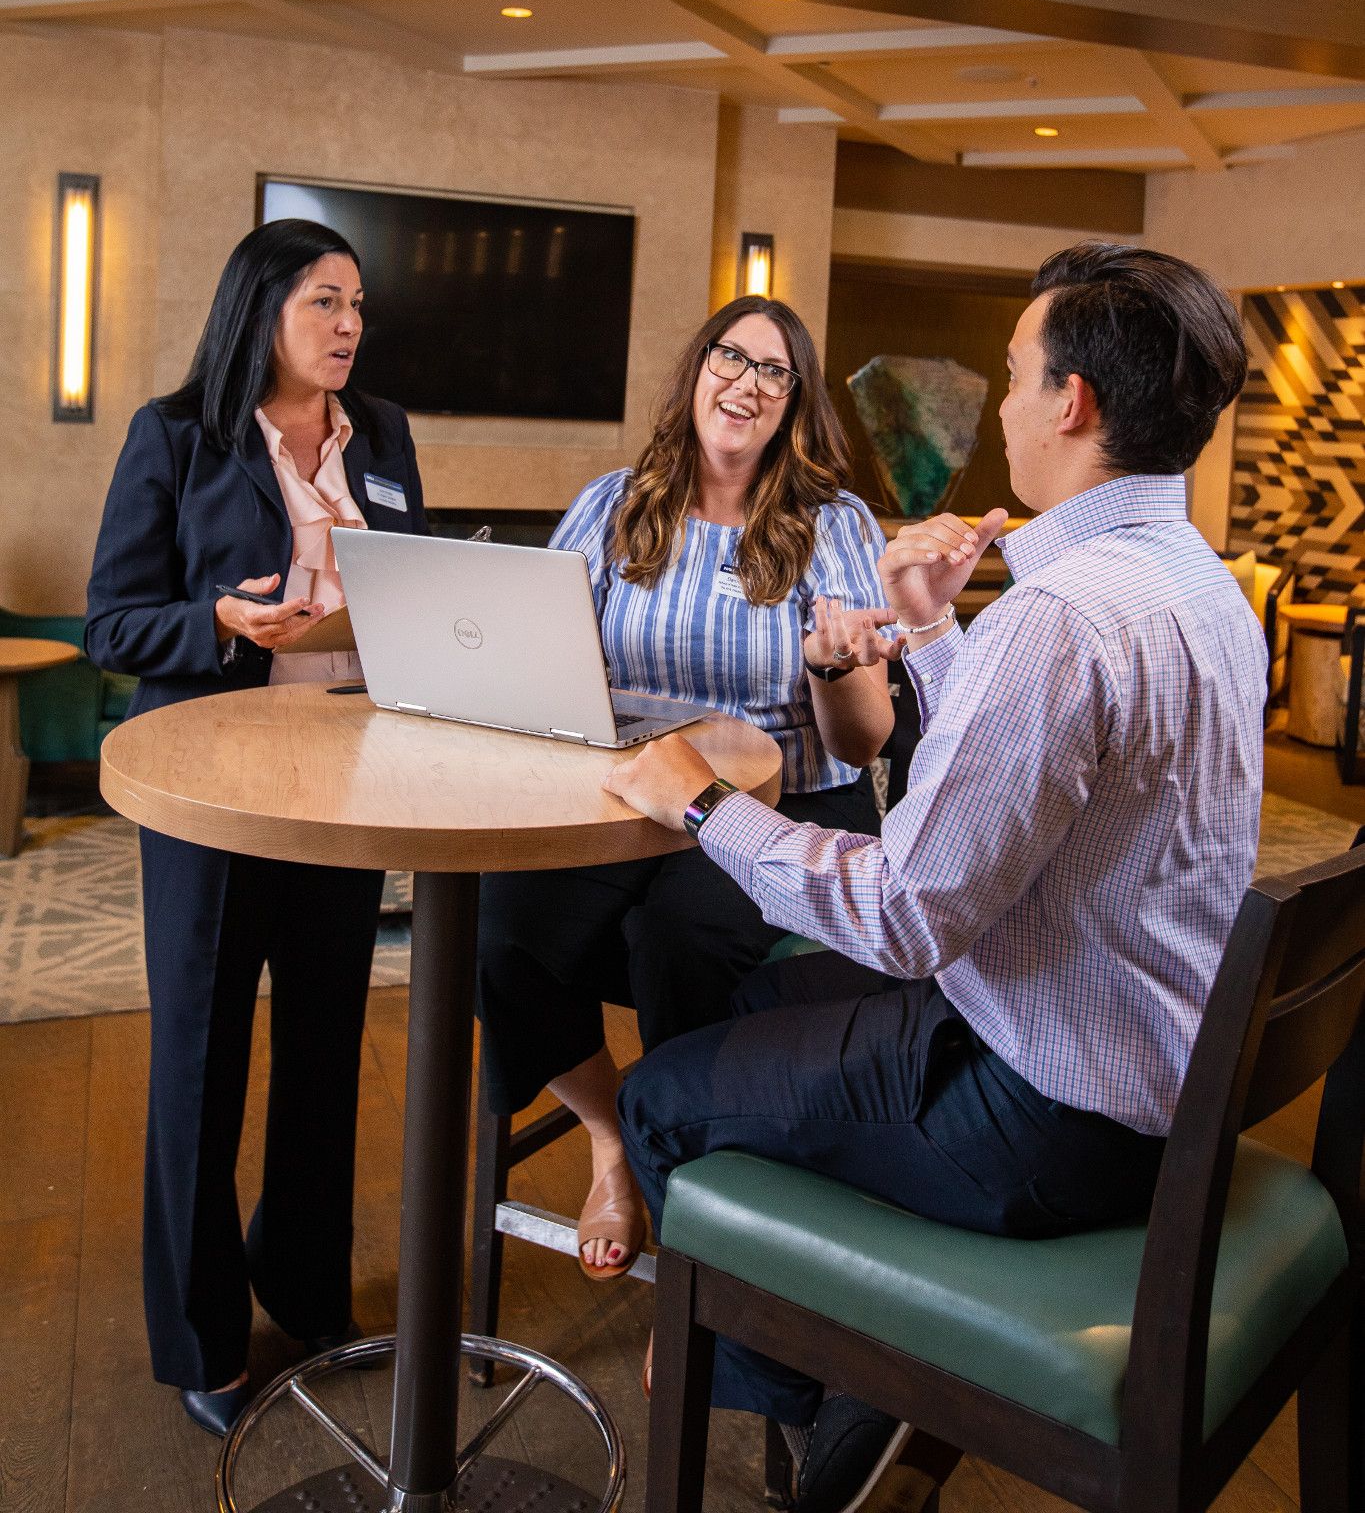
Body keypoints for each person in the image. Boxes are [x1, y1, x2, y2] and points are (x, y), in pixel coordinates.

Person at [604, 242, 1265, 1513]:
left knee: (666, 1101)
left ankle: (839, 1431)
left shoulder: (1065, 615)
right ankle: (851, 1381)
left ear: (1073, 403)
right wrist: (932, 621)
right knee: (748, 1014)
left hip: (1047, 1111)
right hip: (1153, 1066)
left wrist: (700, 799)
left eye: (1016, 376)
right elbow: (1011, 802)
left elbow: (908, 909)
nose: (1004, 406)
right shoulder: (1200, 585)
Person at [86, 218, 428, 1437]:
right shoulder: (175, 434)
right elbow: (113, 623)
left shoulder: (380, 434)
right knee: (200, 1060)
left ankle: (307, 1292)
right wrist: (224, 624)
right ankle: (201, 1336)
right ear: (263, 308)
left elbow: (406, 596)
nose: (349, 325)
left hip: (341, 786)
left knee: (329, 1045)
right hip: (214, 795)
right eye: (325, 301)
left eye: (356, 306)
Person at [476, 296, 897, 1279]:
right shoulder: (616, 503)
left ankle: (704, 1241)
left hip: (778, 802)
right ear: (697, 369)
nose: (746, 382)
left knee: (674, 937)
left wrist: (837, 668)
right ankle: (619, 1131)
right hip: (625, 799)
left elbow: (865, 736)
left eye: (773, 371)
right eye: (730, 357)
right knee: (497, 928)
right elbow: (541, 663)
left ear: (795, 404)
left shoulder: (830, 525)